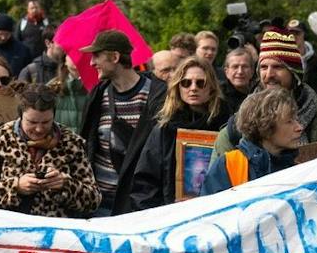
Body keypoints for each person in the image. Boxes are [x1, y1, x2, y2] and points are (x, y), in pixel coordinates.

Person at [119, 57, 232, 213]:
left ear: (211, 87)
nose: (193, 88)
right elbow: (144, 184)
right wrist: (162, 215)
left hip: (216, 214)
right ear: (178, 87)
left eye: (201, 83)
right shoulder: (164, 130)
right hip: (171, 216)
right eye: (186, 83)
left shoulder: (226, 128)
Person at [0, 81, 100, 218]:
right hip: (8, 230)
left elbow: (94, 200)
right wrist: (16, 187)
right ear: (21, 116)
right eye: (32, 122)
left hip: (55, 233)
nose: (39, 129)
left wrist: (65, 184)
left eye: (46, 122)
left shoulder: (72, 144)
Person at [210, 29, 317, 157]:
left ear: (295, 74)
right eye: (264, 67)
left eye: (278, 67)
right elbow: (219, 174)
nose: (269, 74)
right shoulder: (238, 126)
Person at [79, 29, 165, 215]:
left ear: (115, 57)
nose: (92, 62)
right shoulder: (98, 95)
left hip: (137, 206)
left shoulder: (157, 97)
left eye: (96, 56)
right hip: (99, 203)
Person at [200, 85, 301, 194]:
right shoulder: (229, 165)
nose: (299, 127)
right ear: (265, 126)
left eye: (296, 120)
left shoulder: (301, 166)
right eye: (289, 121)